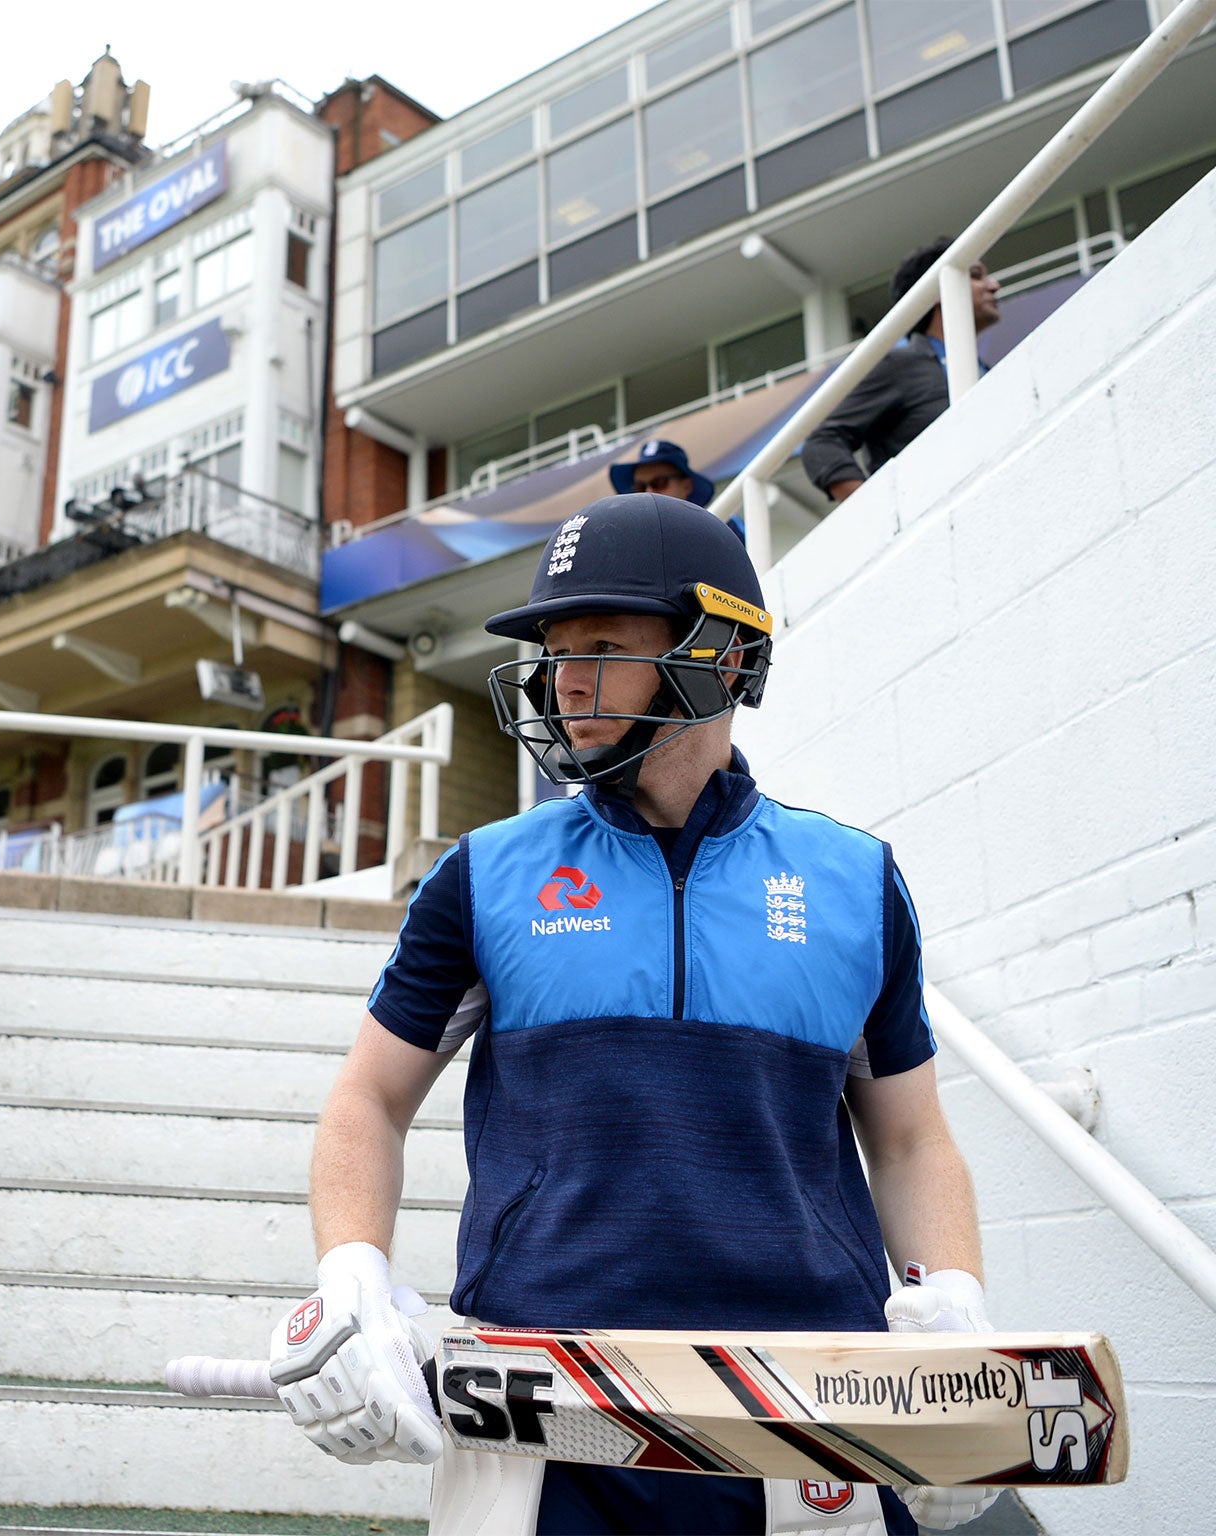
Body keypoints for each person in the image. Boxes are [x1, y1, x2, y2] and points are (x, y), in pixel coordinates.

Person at [269, 494, 998, 1535]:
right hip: (542, 1407)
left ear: (721, 656)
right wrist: (351, 1273)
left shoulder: (853, 881)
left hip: (807, 1404)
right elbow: (366, 1101)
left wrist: (947, 1300)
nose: (564, 678)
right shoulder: (482, 875)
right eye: (554, 647)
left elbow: (912, 1138)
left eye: (603, 644)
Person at [802, 239, 1001, 503]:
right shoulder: (900, 366)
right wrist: (876, 513)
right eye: (976, 276)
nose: (994, 286)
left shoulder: (986, 372)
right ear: (939, 289)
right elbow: (822, 445)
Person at [607, 438, 715, 506]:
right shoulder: (630, 539)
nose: (648, 492)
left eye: (658, 483)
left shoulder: (723, 530)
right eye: (640, 487)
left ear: (686, 486)